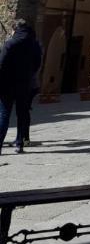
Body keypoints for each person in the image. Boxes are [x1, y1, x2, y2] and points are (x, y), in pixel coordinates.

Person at [0, 19, 42, 155]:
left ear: (14, 29)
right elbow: (37, 63)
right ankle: (19, 144)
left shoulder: (10, 43)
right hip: (25, 84)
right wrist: (28, 74)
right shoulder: (34, 45)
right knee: (22, 115)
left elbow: (1, 63)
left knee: (4, 115)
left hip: (7, 84)